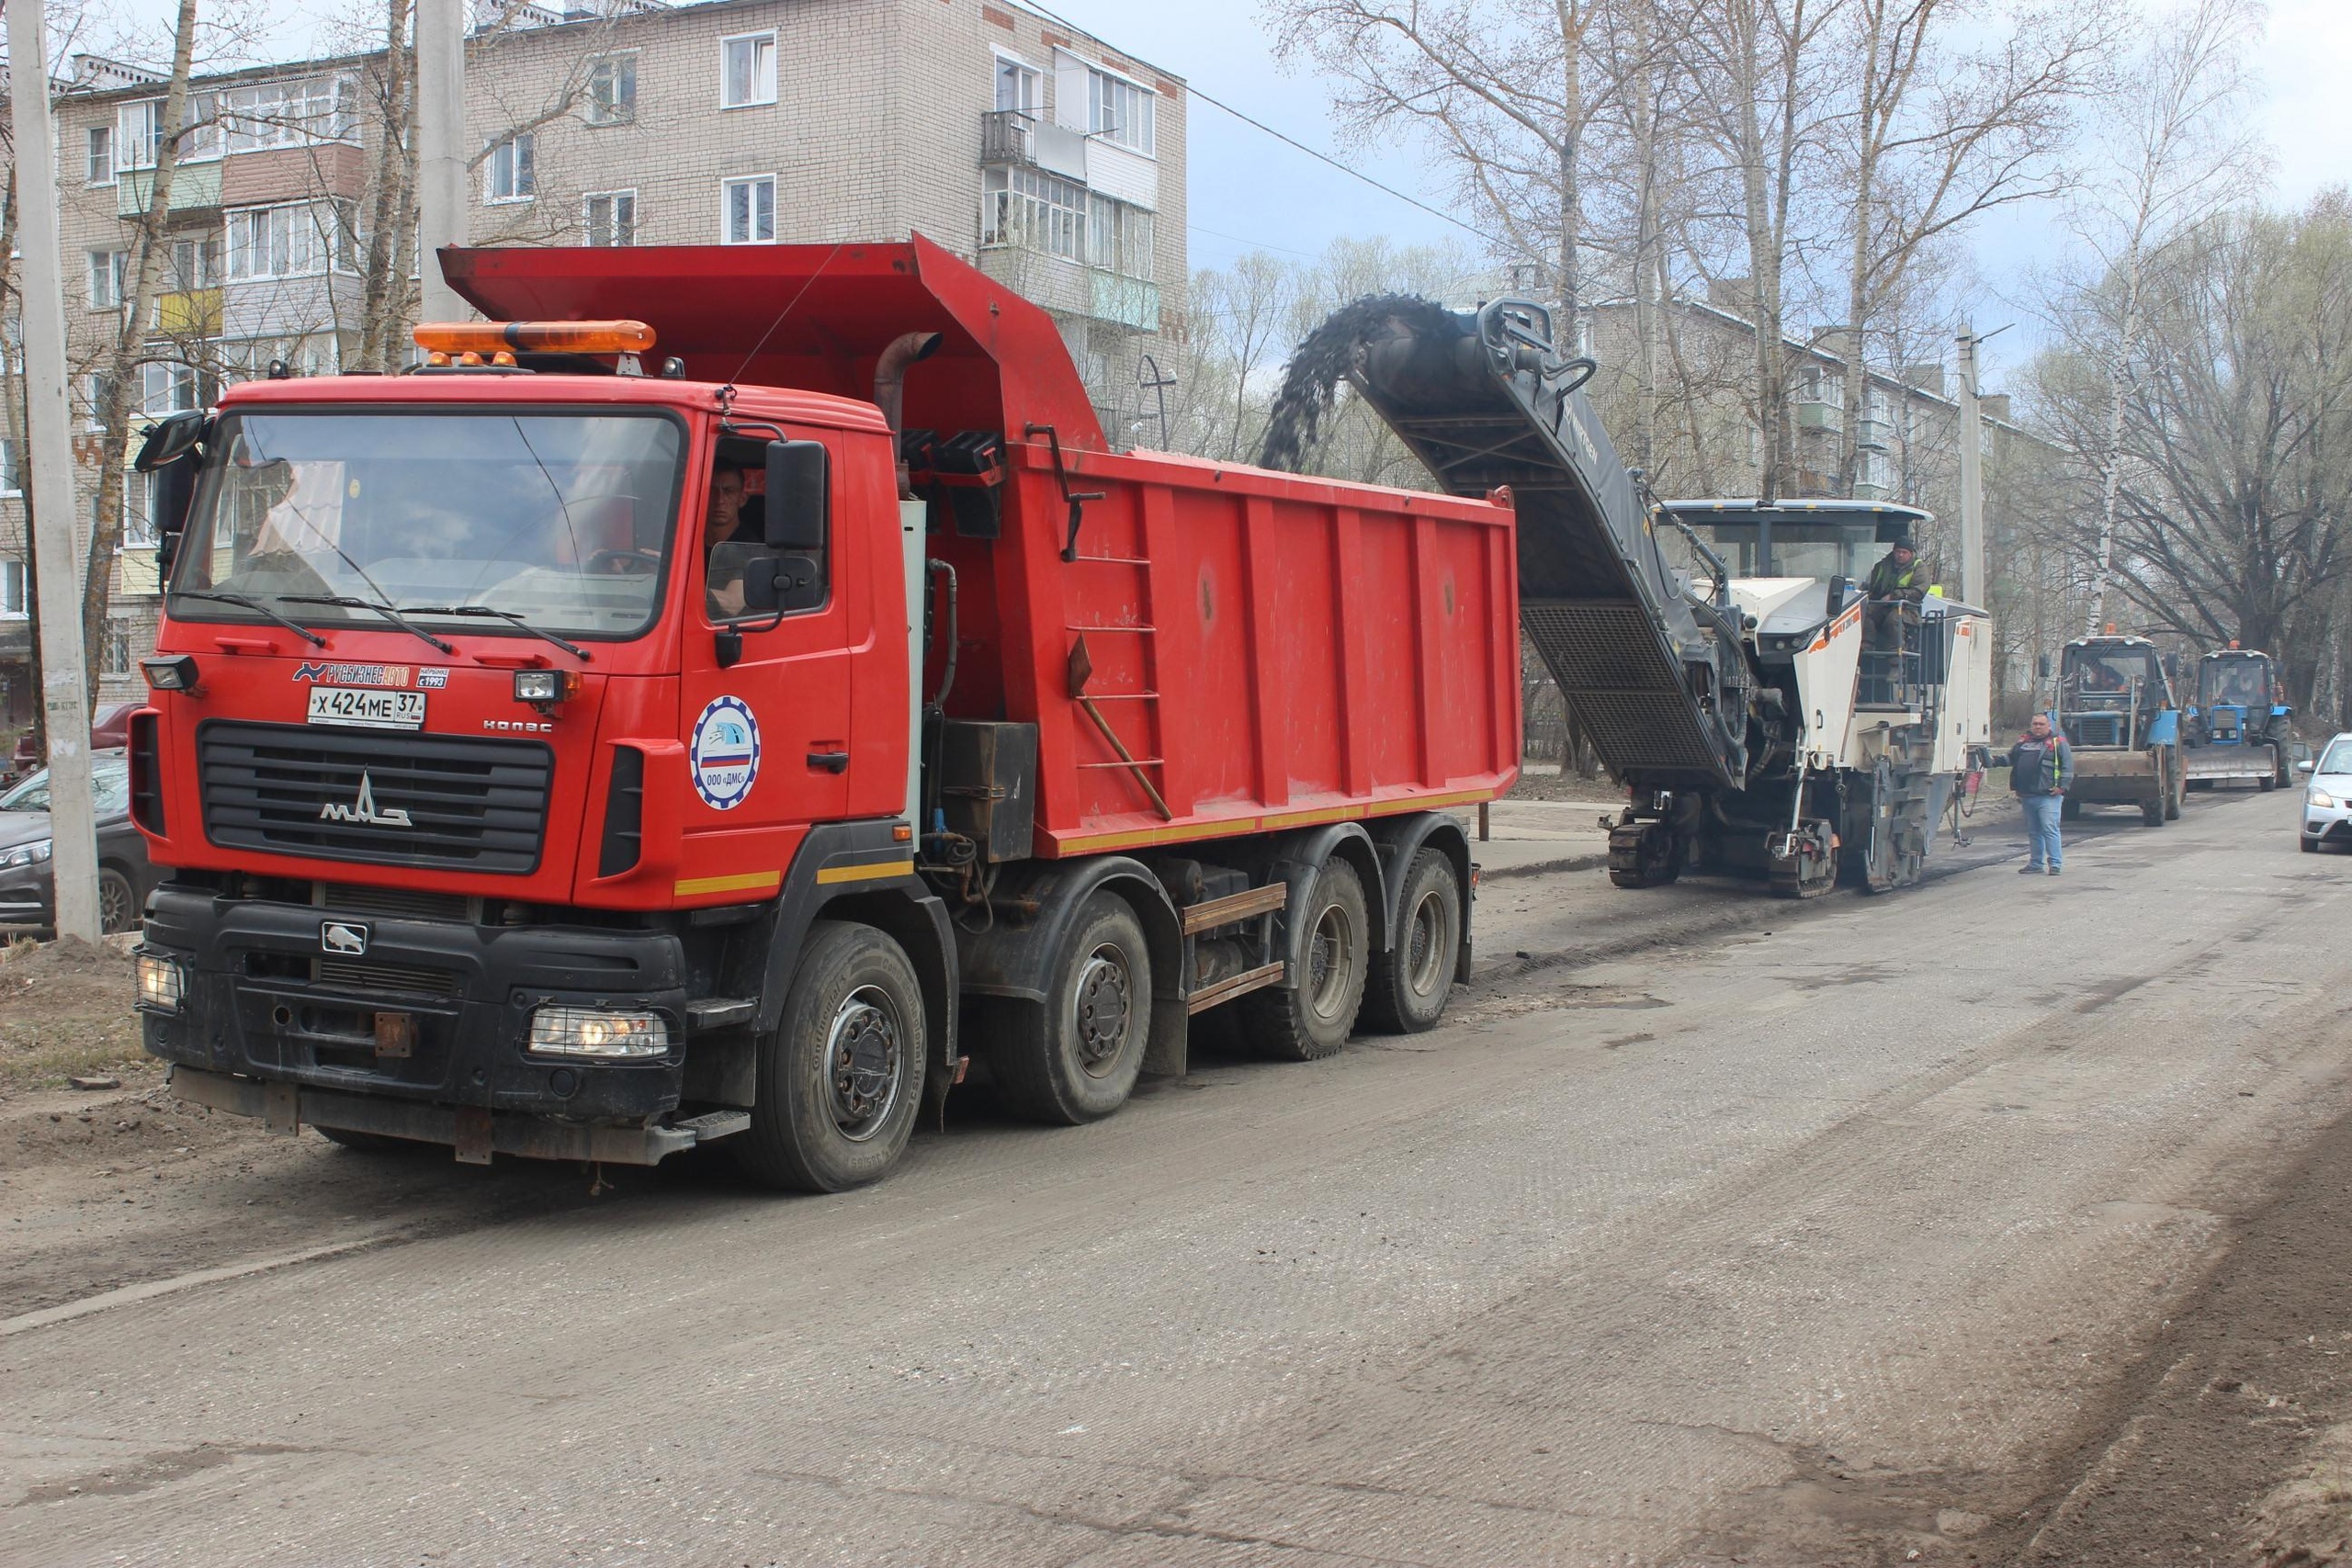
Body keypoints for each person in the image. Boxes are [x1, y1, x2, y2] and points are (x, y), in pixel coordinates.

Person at [2008, 712, 2074, 877]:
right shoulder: (2023, 742)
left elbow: (2067, 767)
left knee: (2050, 829)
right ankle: (2036, 863)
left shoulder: (2058, 742)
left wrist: (2062, 787)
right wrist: (1990, 760)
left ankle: (2055, 864)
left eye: (2041, 724)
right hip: (2027, 795)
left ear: (2048, 726)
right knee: (2034, 832)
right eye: (2035, 723)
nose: (2037, 727)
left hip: (2048, 796)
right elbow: (2010, 759)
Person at [1865, 539, 1928, 649]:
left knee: (1894, 619)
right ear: (1893, 551)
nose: (1900, 555)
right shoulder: (1881, 566)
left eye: (1904, 552)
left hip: (1908, 609)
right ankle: (1864, 652)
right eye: (1898, 551)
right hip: (1881, 606)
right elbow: (1869, 584)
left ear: (1911, 553)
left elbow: (1918, 592)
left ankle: (1896, 659)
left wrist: (1893, 596)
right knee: (1866, 614)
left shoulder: (1919, 567)